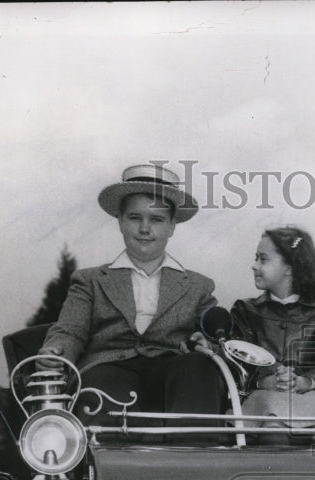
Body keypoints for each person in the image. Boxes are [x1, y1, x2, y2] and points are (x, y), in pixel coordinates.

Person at [38, 164, 224, 424]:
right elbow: (69, 330)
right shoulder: (90, 281)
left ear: (172, 226)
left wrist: (206, 344)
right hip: (107, 370)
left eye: (157, 220)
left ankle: (193, 456)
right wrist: (55, 352)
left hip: (173, 372)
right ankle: (106, 462)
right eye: (135, 218)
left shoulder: (198, 286)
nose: (145, 229)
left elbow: (215, 337)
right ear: (120, 222)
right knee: (100, 390)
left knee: (199, 368)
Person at [229, 226, 315, 438]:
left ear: (289, 267)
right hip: (261, 398)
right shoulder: (245, 311)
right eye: (256, 258)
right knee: (273, 429)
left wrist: (304, 382)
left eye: (263, 260)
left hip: (306, 398)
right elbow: (236, 362)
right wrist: (264, 381)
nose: (254, 266)